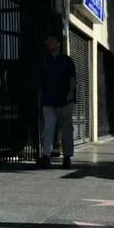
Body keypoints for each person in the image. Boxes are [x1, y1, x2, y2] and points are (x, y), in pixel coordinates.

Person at [37, 34, 76, 169]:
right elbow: (41, 83)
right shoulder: (44, 61)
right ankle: (46, 156)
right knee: (48, 128)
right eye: (47, 41)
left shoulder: (66, 60)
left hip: (65, 100)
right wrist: (40, 100)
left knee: (66, 129)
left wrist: (71, 92)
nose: (49, 44)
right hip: (48, 100)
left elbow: (72, 78)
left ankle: (67, 156)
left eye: (52, 41)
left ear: (58, 43)